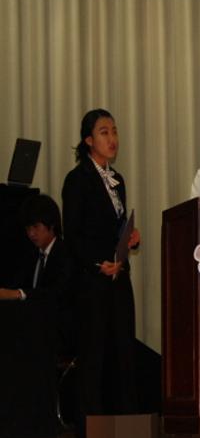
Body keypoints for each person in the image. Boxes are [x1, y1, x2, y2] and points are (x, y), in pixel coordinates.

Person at [62, 109, 141, 419]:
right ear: (88, 140)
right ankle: (92, 426)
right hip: (92, 281)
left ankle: (127, 422)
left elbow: (115, 227)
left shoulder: (117, 180)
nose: (112, 138)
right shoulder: (77, 179)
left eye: (115, 131)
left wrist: (130, 238)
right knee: (93, 353)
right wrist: (98, 263)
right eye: (104, 132)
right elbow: (72, 235)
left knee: (124, 350)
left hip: (118, 277)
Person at [0, 194, 76, 355]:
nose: (31, 234)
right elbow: (17, 283)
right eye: (28, 228)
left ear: (52, 225)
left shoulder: (66, 254)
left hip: (60, 333)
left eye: (36, 227)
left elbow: (56, 293)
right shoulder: (32, 254)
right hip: (35, 328)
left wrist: (19, 294)